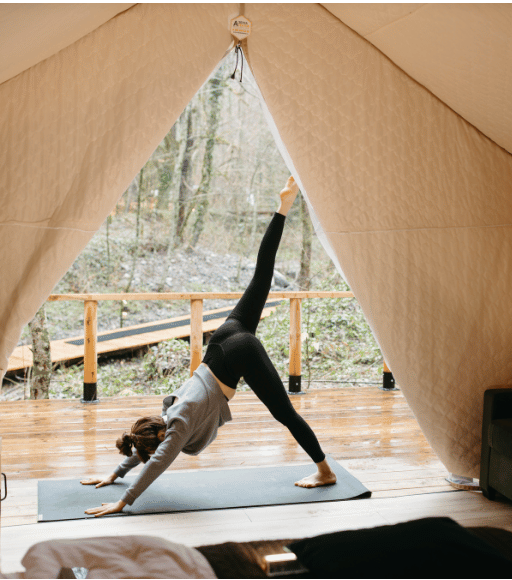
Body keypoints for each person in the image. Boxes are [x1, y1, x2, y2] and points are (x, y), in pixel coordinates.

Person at [79, 176, 336, 516]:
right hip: (224, 338)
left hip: (238, 352)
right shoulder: (167, 415)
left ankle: (325, 470)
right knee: (261, 275)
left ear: (159, 439)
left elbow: (156, 463)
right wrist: (115, 473)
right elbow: (147, 450)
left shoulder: (178, 426)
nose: (154, 453)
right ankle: (282, 207)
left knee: (284, 412)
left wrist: (122, 502)